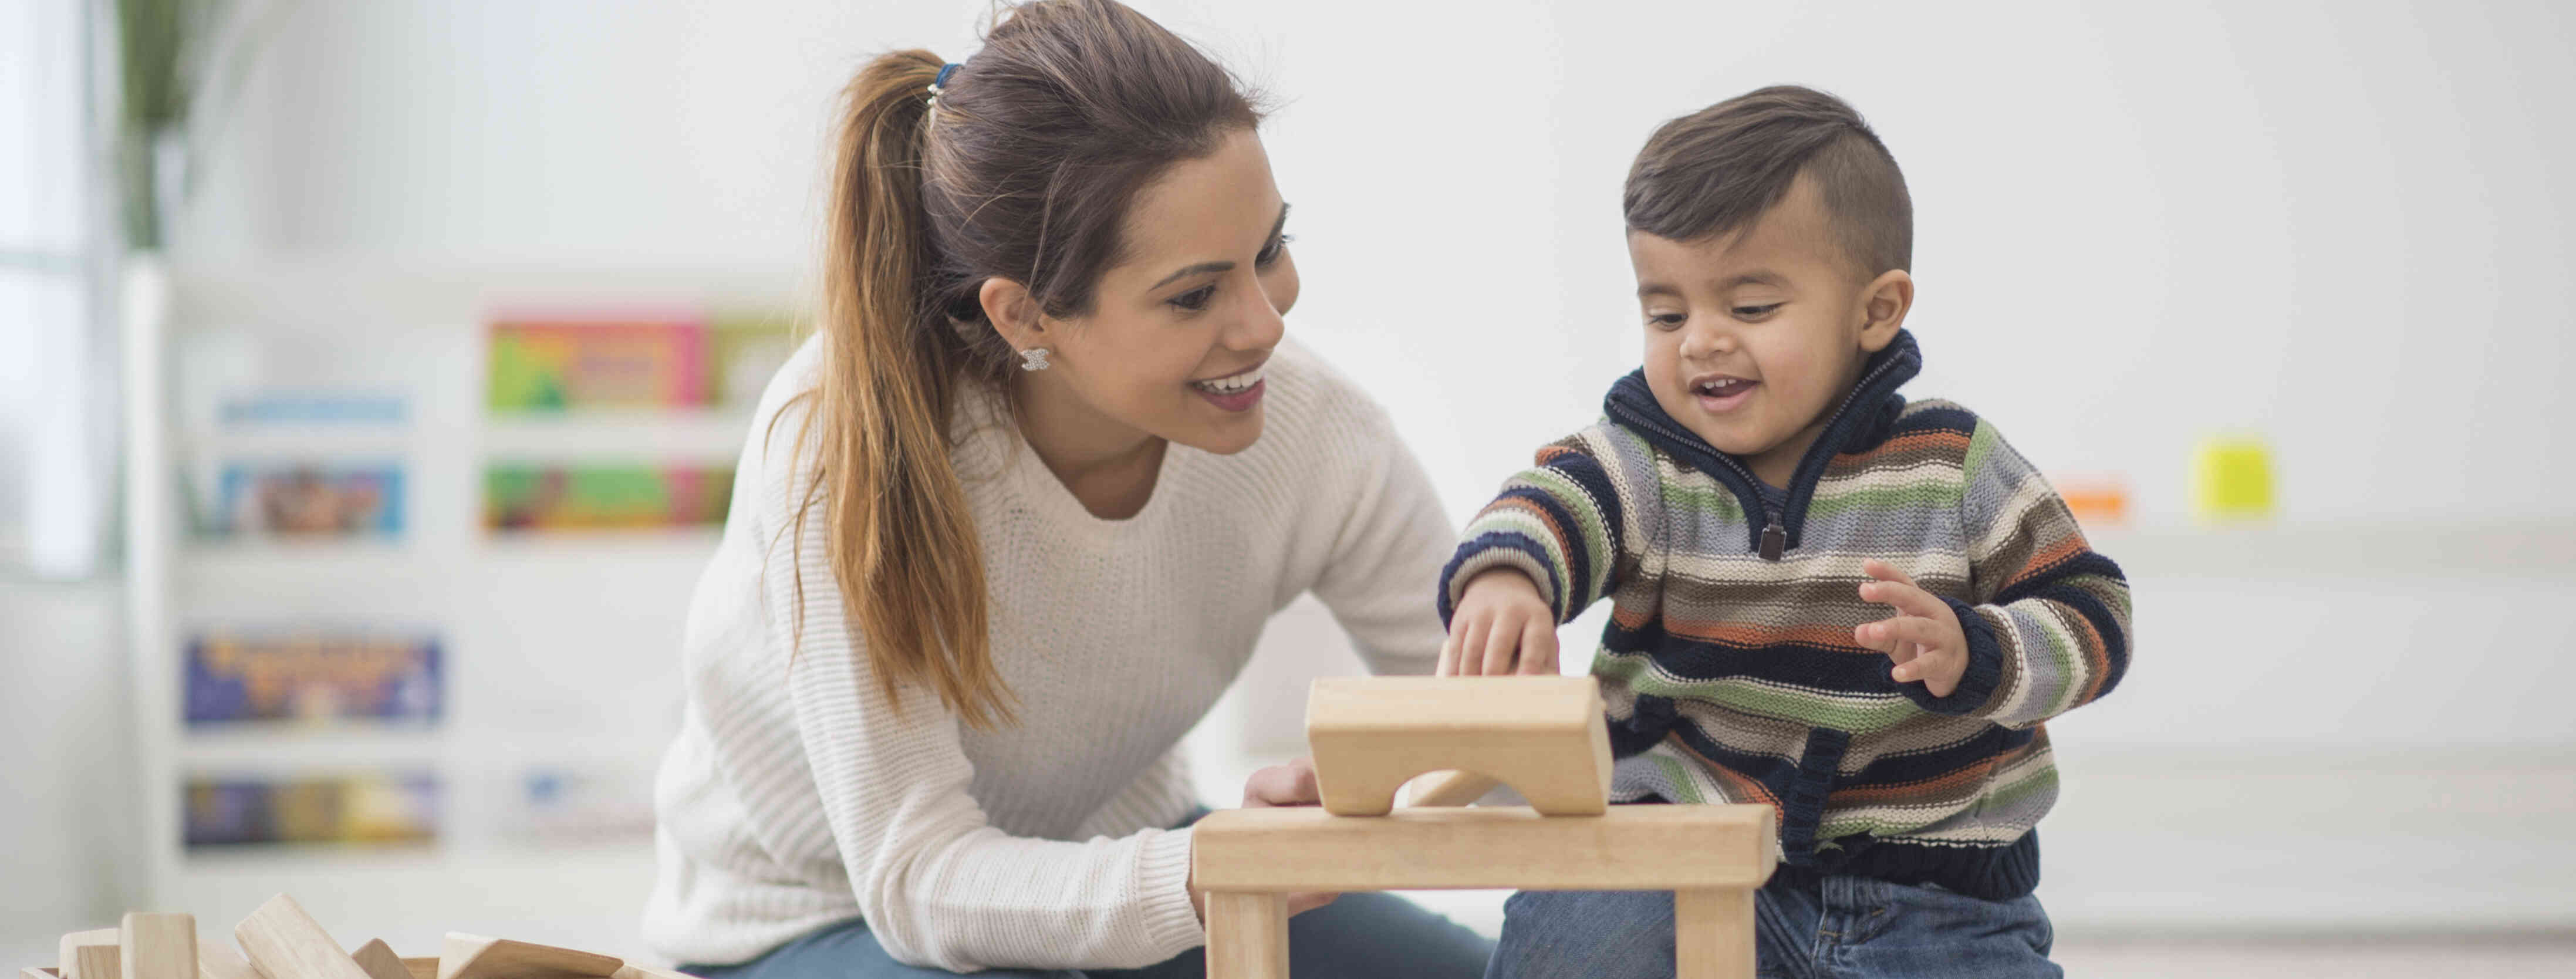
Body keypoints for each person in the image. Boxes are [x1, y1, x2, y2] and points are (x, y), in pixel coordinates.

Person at [641, 2, 1492, 975]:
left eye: (1270, 250)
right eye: (1193, 294)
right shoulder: (845, 441)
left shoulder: (1316, 433)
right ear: (1027, 314)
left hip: (1117, 852)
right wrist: (1197, 874)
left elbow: (1480, 724)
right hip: (823, 916)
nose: (1264, 326)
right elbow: (917, 877)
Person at [1436, 85, 2134, 979]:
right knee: (1575, 932)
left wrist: (1980, 650)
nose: (1700, 342)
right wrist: (1508, 575)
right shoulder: (1641, 463)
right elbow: (1550, 501)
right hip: (1672, 859)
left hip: (1935, 896)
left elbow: (2095, 613)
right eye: (1666, 313)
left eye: (1751, 309)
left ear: (1875, 311)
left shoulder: (1951, 463)